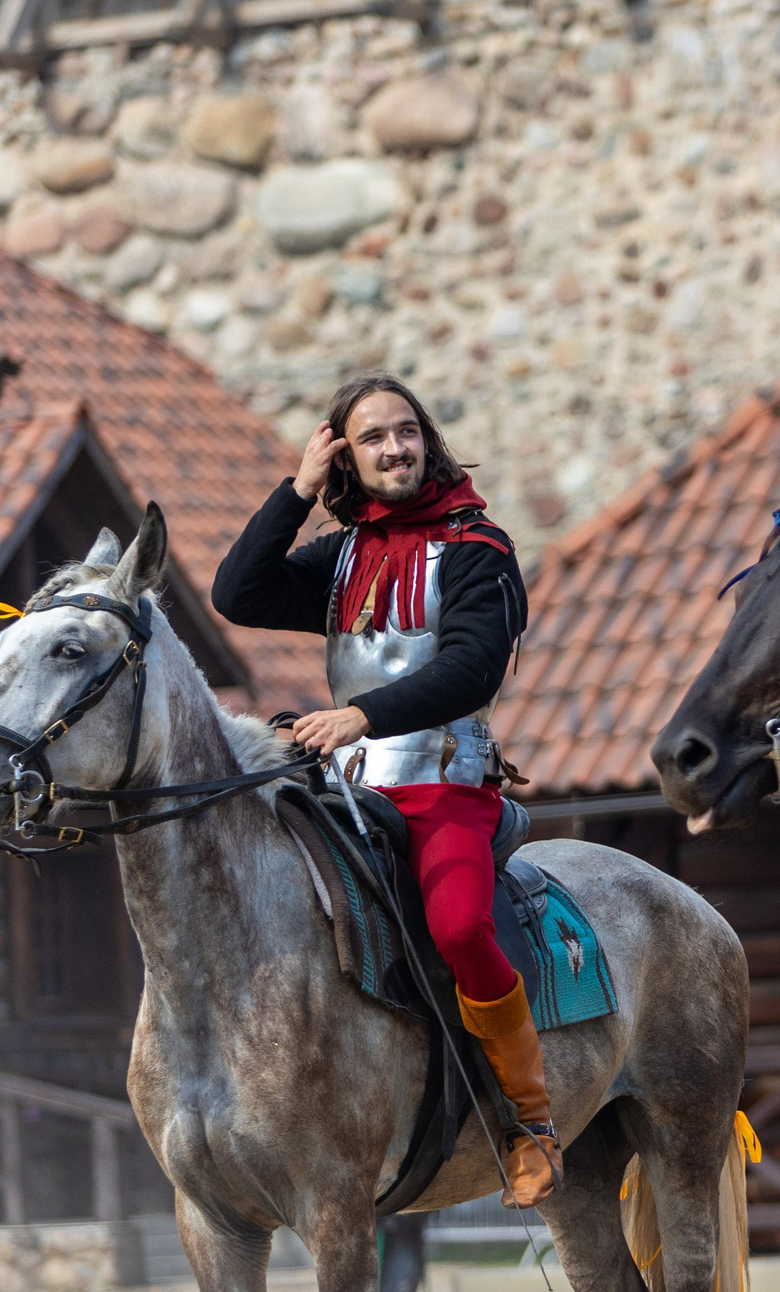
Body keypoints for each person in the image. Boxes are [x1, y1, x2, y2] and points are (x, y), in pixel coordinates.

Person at [210, 374, 559, 1207]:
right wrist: (296, 490)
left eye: (406, 432)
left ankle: (530, 1118)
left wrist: (360, 714)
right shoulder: (344, 554)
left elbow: (470, 669)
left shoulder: (481, 549)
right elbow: (237, 593)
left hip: (444, 787)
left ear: (427, 440)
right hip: (345, 789)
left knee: (460, 925)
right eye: (372, 439)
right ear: (348, 456)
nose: (394, 448)